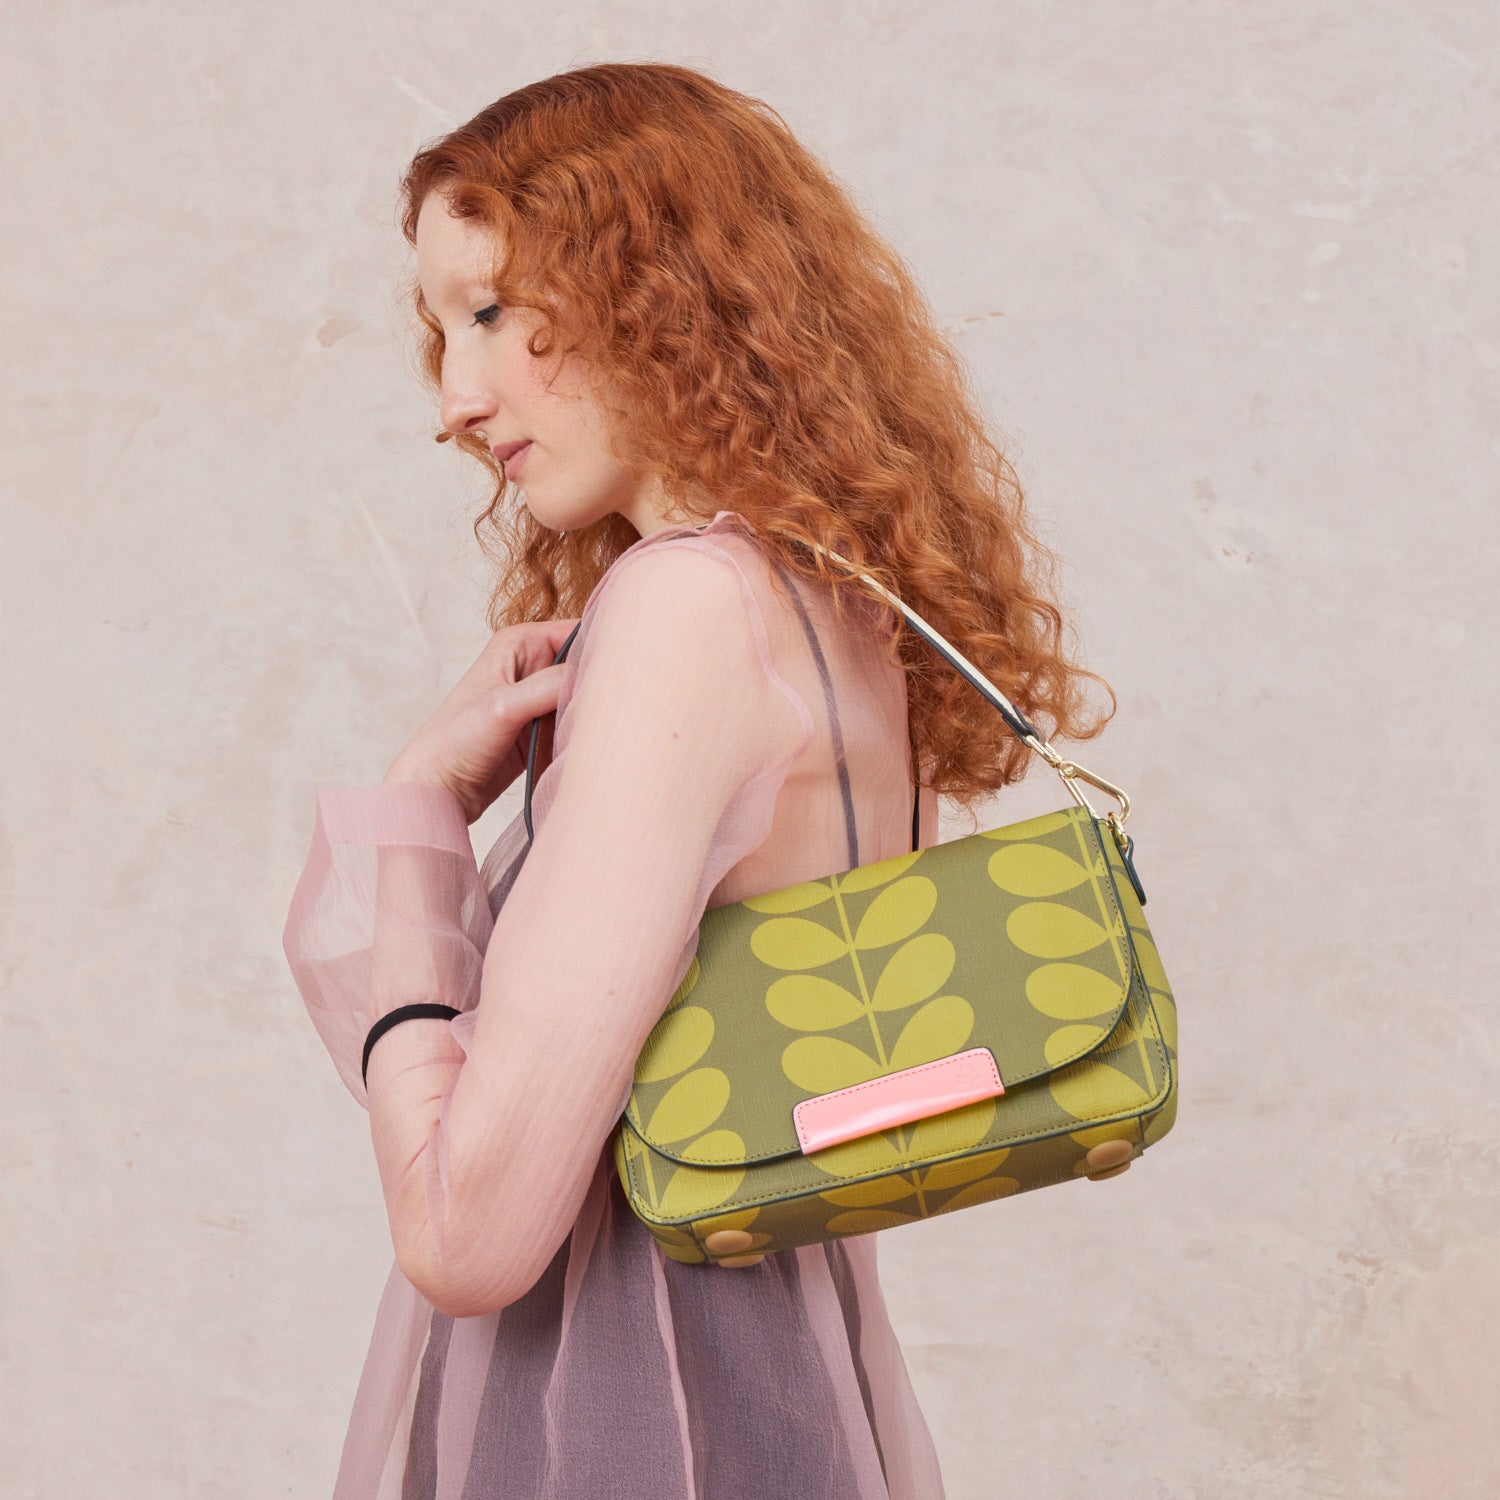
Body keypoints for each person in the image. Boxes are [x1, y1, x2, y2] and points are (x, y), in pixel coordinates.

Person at [281, 61, 1115, 1500]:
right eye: (439, 334)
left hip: (610, 1407)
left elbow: (467, 1237)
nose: (454, 400)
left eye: (489, 311)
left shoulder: (686, 611)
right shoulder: (840, 607)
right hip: (770, 1372)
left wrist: (413, 820)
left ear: (656, 284)